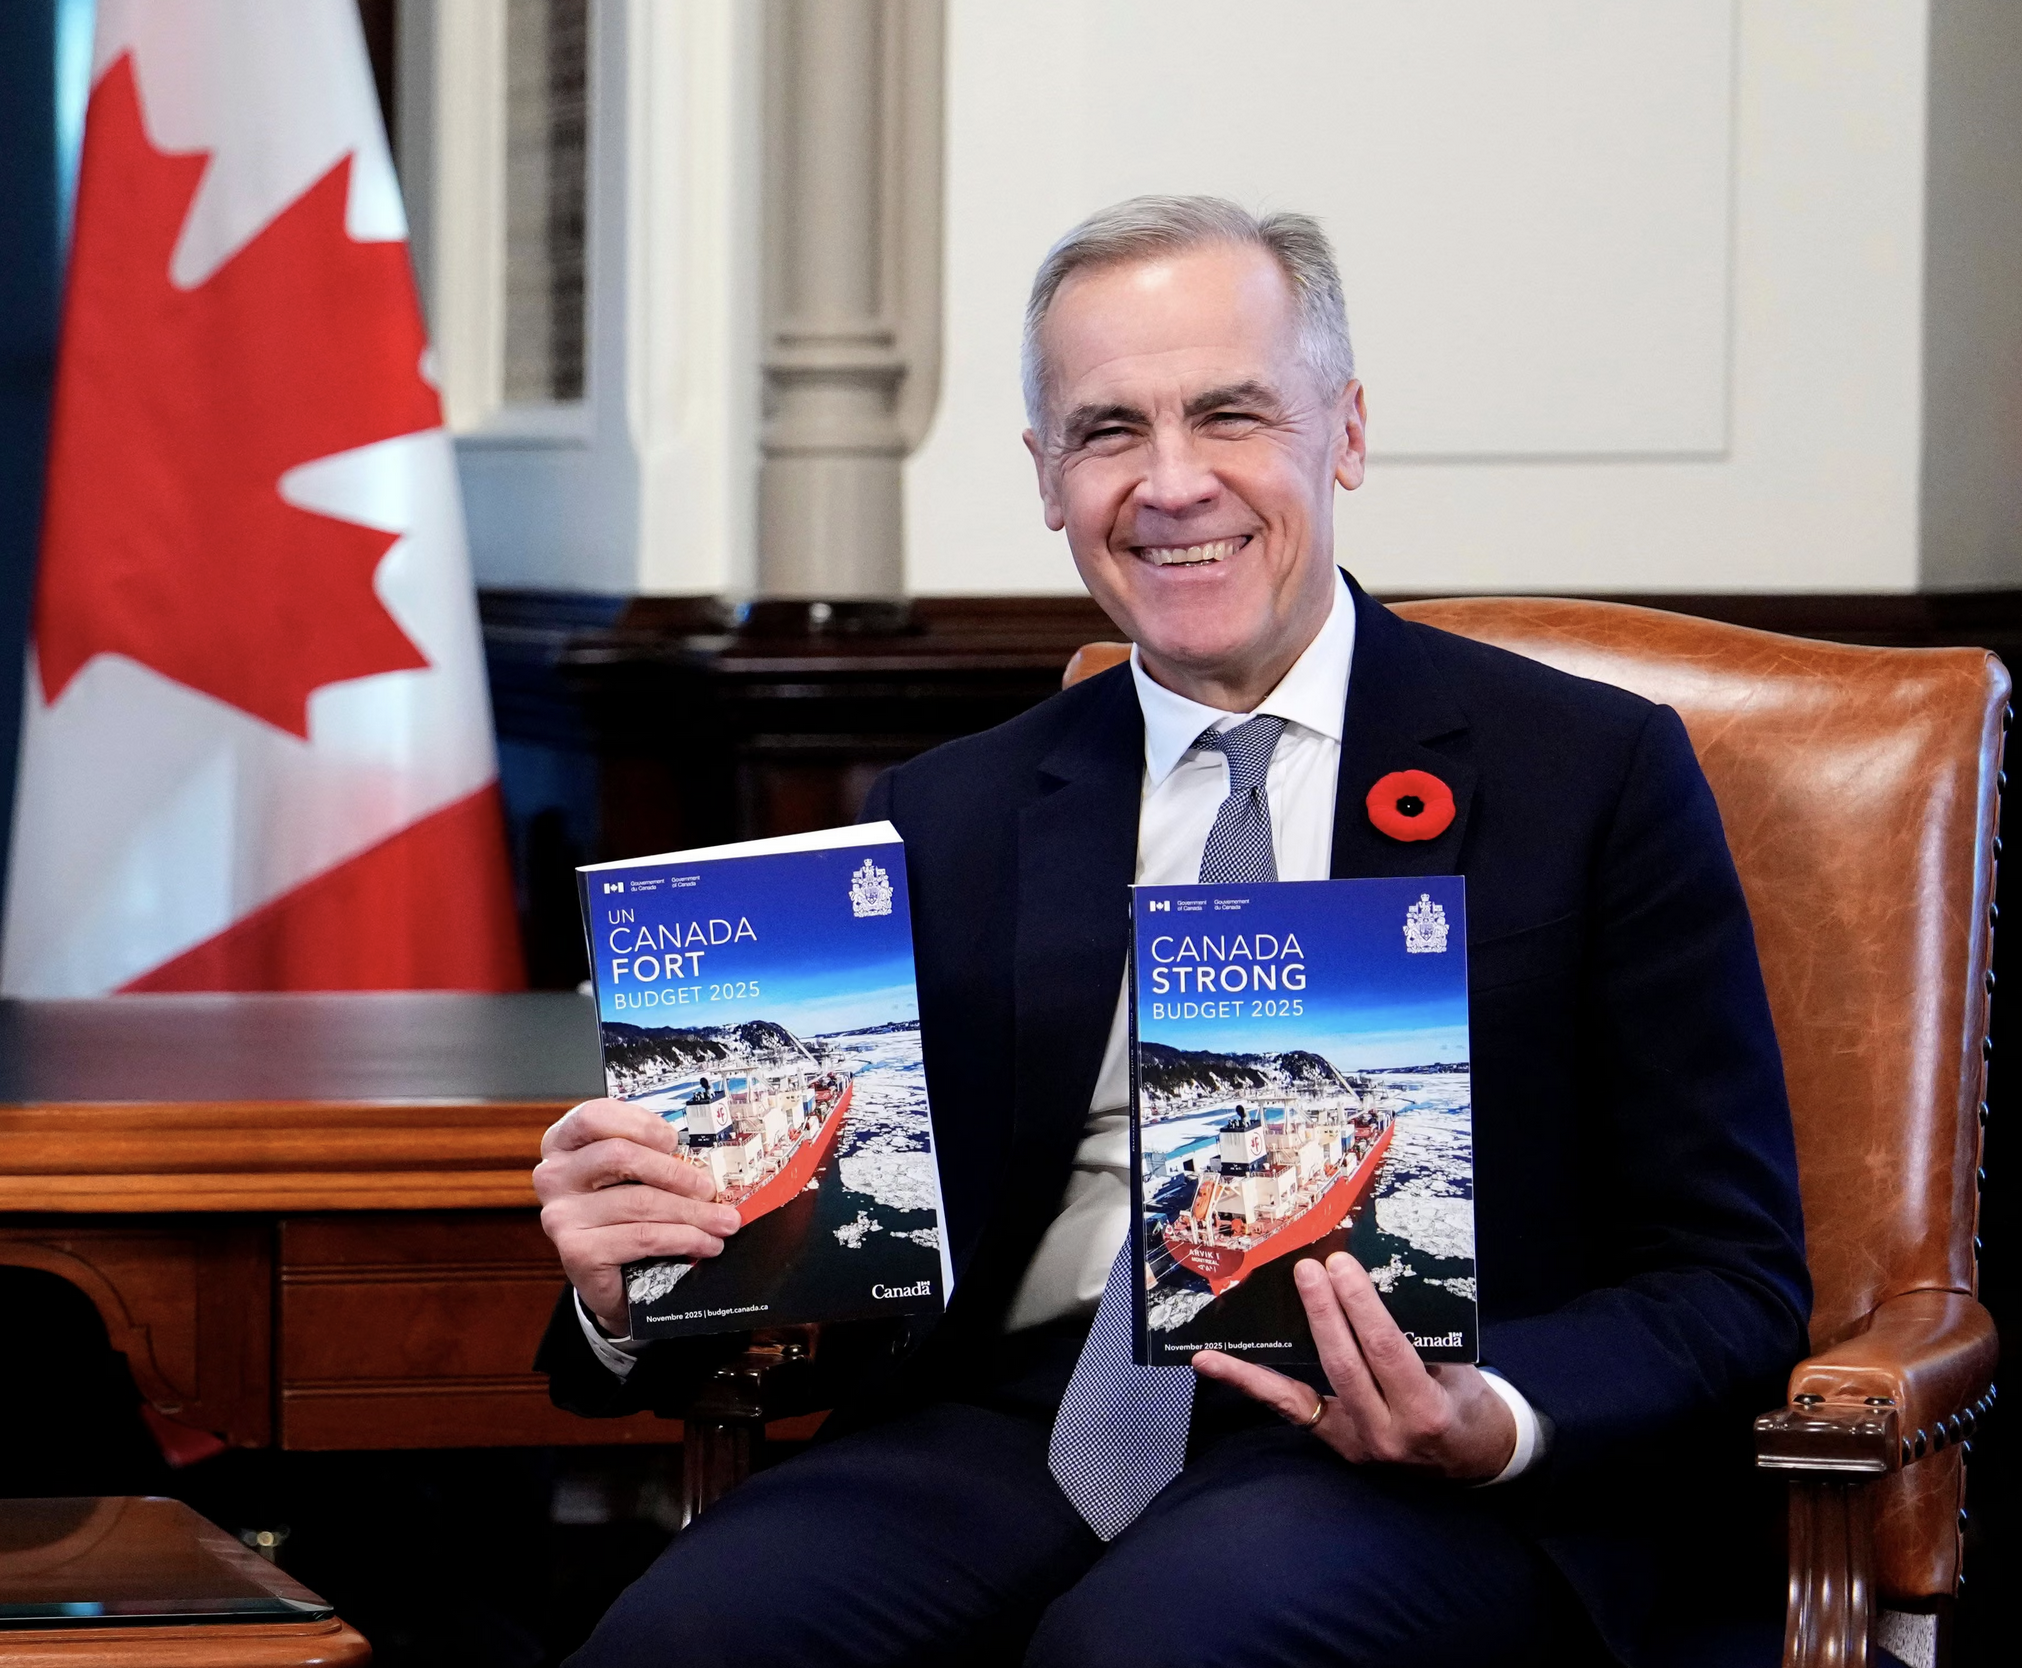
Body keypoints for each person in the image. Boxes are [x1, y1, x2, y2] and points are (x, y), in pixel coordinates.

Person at [532, 197, 1810, 1667]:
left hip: (1401, 1451)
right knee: (684, 1641)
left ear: (1346, 433)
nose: (1173, 483)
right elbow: (839, 1261)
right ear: (1047, 477)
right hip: (1013, 1424)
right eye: (1108, 432)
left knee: (1147, 1647)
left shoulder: (1588, 775)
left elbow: (1732, 1274)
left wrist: (1495, 1413)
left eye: (1230, 414)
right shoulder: (949, 812)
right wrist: (638, 1286)